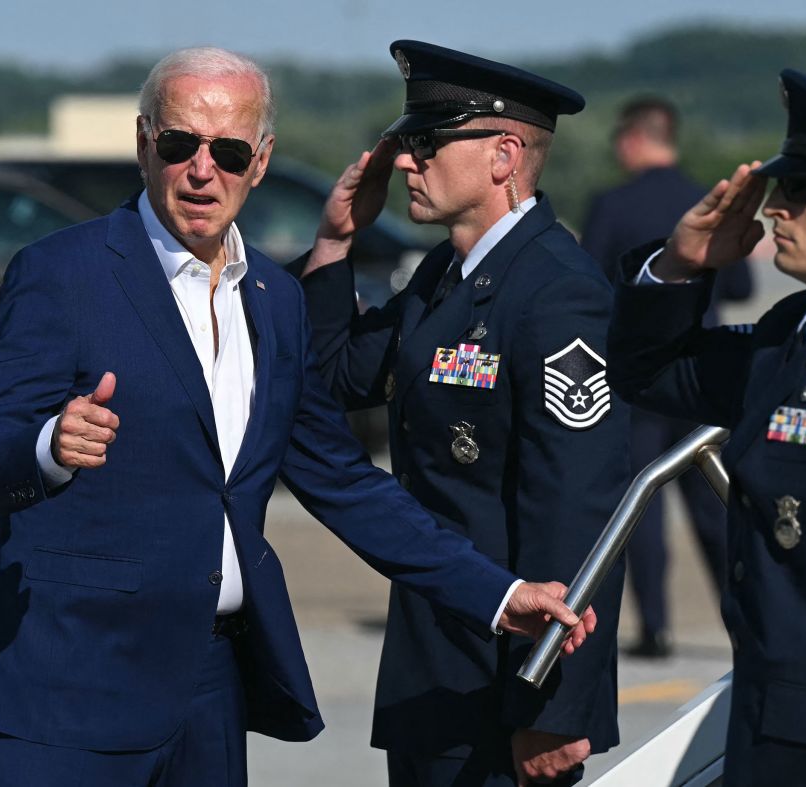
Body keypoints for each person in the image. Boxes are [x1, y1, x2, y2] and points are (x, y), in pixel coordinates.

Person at [0, 46, 596, 787]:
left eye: (227, 150)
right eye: (178, 143)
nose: (201, 169)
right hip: (71, 692)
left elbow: (344, 480)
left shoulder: (275, 301)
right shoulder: (60, 273)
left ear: (260, 161)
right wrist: (47, 447)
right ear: (141, 144)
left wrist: (500, 594)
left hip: (211, 688)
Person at [298, 41, 629, 786]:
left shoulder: (556, 291)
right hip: (434, 661)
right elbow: (339, 377)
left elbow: (578, 512)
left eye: (428, 142)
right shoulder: (446, 274)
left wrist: (552, 706)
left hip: (504, 680)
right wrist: (334, 240)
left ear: (504, 154)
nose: (407, 162)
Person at [606, 69, 806, 785]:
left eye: (804, 190)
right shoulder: (794, 331)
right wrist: (679, 265)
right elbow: (647, 372)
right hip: (773, 724)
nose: (777, 209)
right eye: (780, 187)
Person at [582, 96, 754, 659]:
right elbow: (741, 289)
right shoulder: (705, 200)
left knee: (643, 504)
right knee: (716, 506)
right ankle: (746, 624)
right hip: (705, 375)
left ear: (632, 139)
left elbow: (594, 285)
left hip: (642, 374)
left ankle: (654, 627)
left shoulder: (612, 204)